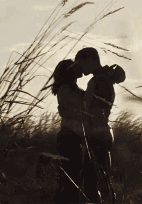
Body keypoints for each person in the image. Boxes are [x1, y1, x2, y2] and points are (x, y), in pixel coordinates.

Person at [73, 47, 126, 203]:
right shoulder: (102, 79)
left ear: (90, 60)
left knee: (94, 183)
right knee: (98, 181)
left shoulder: (100, 80)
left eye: (81, 62)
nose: (80, 68)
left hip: (97, 134)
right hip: (100, 133)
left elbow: (96, 110)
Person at [51, 59, 87, 203]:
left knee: (70, 178)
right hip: (70, 136)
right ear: (69, 71)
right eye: (74, 66)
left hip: (69, 135)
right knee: (71, 179)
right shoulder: (67, 89)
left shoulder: (68, 88)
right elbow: (81, 104)